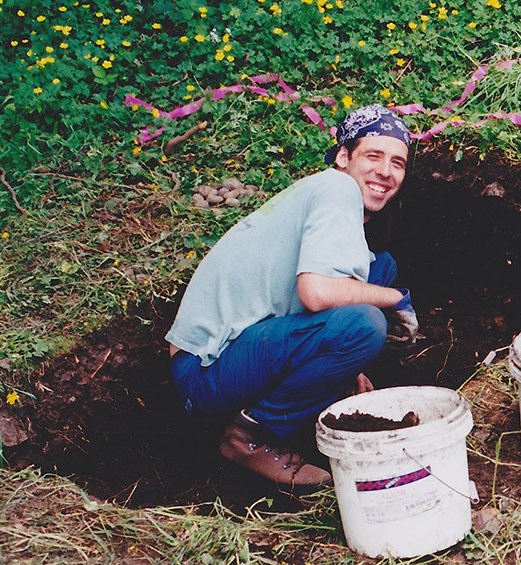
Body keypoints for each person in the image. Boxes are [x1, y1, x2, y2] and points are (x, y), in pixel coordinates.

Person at [165, 104, 418, 490]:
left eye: (398, 162)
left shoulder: (332, 204)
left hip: (252, 351)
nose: (386, 171)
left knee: (379, 268)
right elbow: (315, 294)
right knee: (367, 322)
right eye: (373, 155)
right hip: (204, 373)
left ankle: (320, 393)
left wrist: (346, 364)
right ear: (342, 156)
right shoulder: (337, 187)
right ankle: (247, 439)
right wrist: (395, 299)